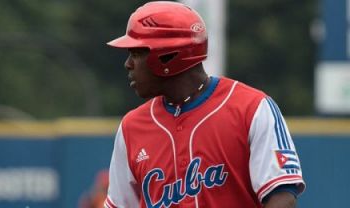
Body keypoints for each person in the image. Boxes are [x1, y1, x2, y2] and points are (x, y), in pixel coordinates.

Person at [104, 1, 305, 208]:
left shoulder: (252, 108)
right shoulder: (132, 127)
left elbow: (282, 197)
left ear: (167, 56)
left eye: (136, 53)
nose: (128, 64)